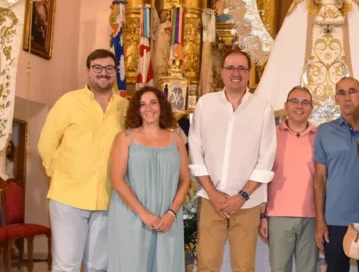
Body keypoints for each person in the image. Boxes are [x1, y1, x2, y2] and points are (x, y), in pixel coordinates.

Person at [38, 49, 129, 272]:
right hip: (68, 198)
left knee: (98, 267)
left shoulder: (125, 108)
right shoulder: (68, 102)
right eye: (97, 68)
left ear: (115, 72)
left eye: (109, 68)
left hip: (109, 199)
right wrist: (60, 175)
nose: (103, 73)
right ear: (88, 72)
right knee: (66, 265)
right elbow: (46, 144)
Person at [187, 50, 277, 272]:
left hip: (247, 202)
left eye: (241, 68)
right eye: (231, 68)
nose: (236, 73)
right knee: (207, 264)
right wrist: (214, 193)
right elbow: (196, 152)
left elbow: (266, 157)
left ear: (248, 74)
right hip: (211, 199)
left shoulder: (262, 108)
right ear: (222, 72)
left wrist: (242, 196)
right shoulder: (205, 104)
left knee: (244, 266)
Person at [107, 86, 190, 272]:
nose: (148, 108)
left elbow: (185, 180)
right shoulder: (126, 138)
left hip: (167, 220)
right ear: (137, 109)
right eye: (142, 104)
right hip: (133, 217)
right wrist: (144, 214)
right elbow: (118, 181)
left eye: (153, 102)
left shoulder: (176, 139)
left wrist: (172, 213)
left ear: (162, 107)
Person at [313, 77, 359, 272]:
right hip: (336, 218)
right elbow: (319, 179)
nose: (347, 98)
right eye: (342, 93)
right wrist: (320, 221)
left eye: (352, 91)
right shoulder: (325, 132)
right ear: (336, 99)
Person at [259, 86, 318, 272]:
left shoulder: (322, 136)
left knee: (308, 269)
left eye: (305, 102)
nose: (299, 106)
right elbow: (262, 177)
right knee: (279, 269)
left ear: (311, 107)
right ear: (285, 105)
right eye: (294, 101)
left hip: (312, 215)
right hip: (278, 214)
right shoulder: (271, 135)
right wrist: (262, 215)